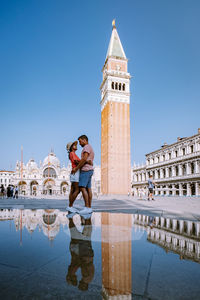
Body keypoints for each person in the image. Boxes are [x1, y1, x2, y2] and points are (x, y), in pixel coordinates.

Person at [66, 215, 94, 291]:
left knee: (88, 228)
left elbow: (81, 265)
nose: (79, 282)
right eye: (80, 285)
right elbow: (81, 264)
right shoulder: (86, 278)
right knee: (73, 229)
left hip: (86, 249)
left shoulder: (89, 278)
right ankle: (70, 216)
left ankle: (88, 214)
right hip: (80, 249)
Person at [66, 140, 93, 214]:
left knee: (72, 190)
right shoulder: (72, 153)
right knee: (77, 190)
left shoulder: (73, 153)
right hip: (76, 172)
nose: (76, 145)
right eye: (74, 145)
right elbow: (76, 161)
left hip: (75, 172)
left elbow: (78, 161)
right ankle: (70, 206)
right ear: (71, 147)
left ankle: (70, 206)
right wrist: (87, 162)